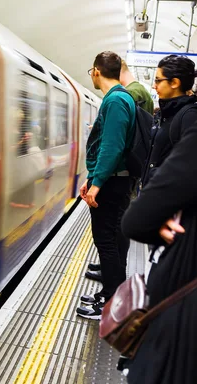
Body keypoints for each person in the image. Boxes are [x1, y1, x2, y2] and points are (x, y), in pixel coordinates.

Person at [120, 5, 197, 384]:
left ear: (175, 85)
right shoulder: (180, 116)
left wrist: (166, 205)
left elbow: (139, 218)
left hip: (194, 322)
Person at [76, 51, 136, 320]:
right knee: (111, 239)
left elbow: (112, 147)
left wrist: (96, 184)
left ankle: (111, 305)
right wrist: (92, 179)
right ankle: (110, 295)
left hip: (112, 183)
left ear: (97, 72)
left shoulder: (115, 101)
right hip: (113, 180)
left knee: (106, 241)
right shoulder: (120, 98)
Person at [141, 55, 197, 190]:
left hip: (166, 201)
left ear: (175, 83)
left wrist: (154, 175)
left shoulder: (190, 116)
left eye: (158, 80)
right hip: (154, 195)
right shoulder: (163, 114)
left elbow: (191, 168)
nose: (154, 86)